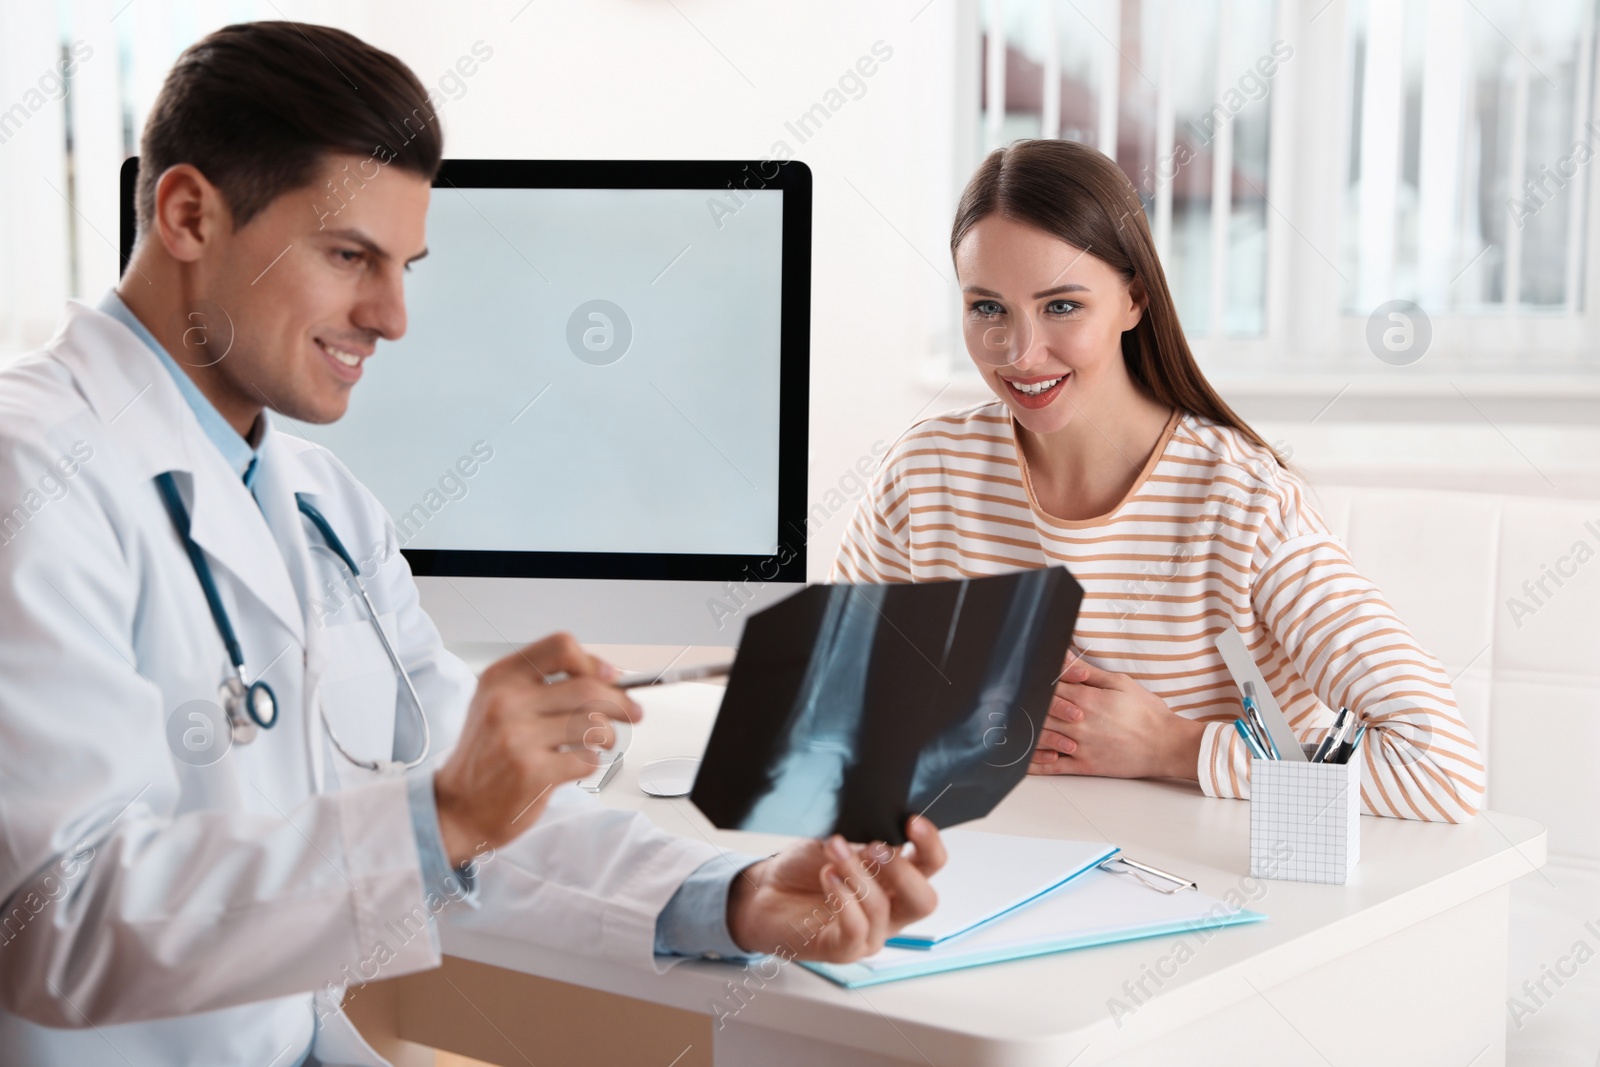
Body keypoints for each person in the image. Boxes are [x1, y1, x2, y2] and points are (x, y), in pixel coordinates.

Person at [0, 22, 945, 1066]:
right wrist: (441, 815)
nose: (394, 316)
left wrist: (730, 896)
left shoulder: (323, 508)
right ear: (189, 214)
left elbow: (475, 809)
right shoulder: (31, 475)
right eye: (349, 254)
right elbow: (56, 922)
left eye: (404, 264)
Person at [833, 139, 1484, 823]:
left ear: (1135, 299)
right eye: (988, 309)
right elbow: (830, 700)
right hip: (986, 874)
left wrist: (1172, 746)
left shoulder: (1246, 505)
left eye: (1061, 306)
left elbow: (1440, 769)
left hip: (1216, 897)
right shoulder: (928, 472)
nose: (1020, 354)